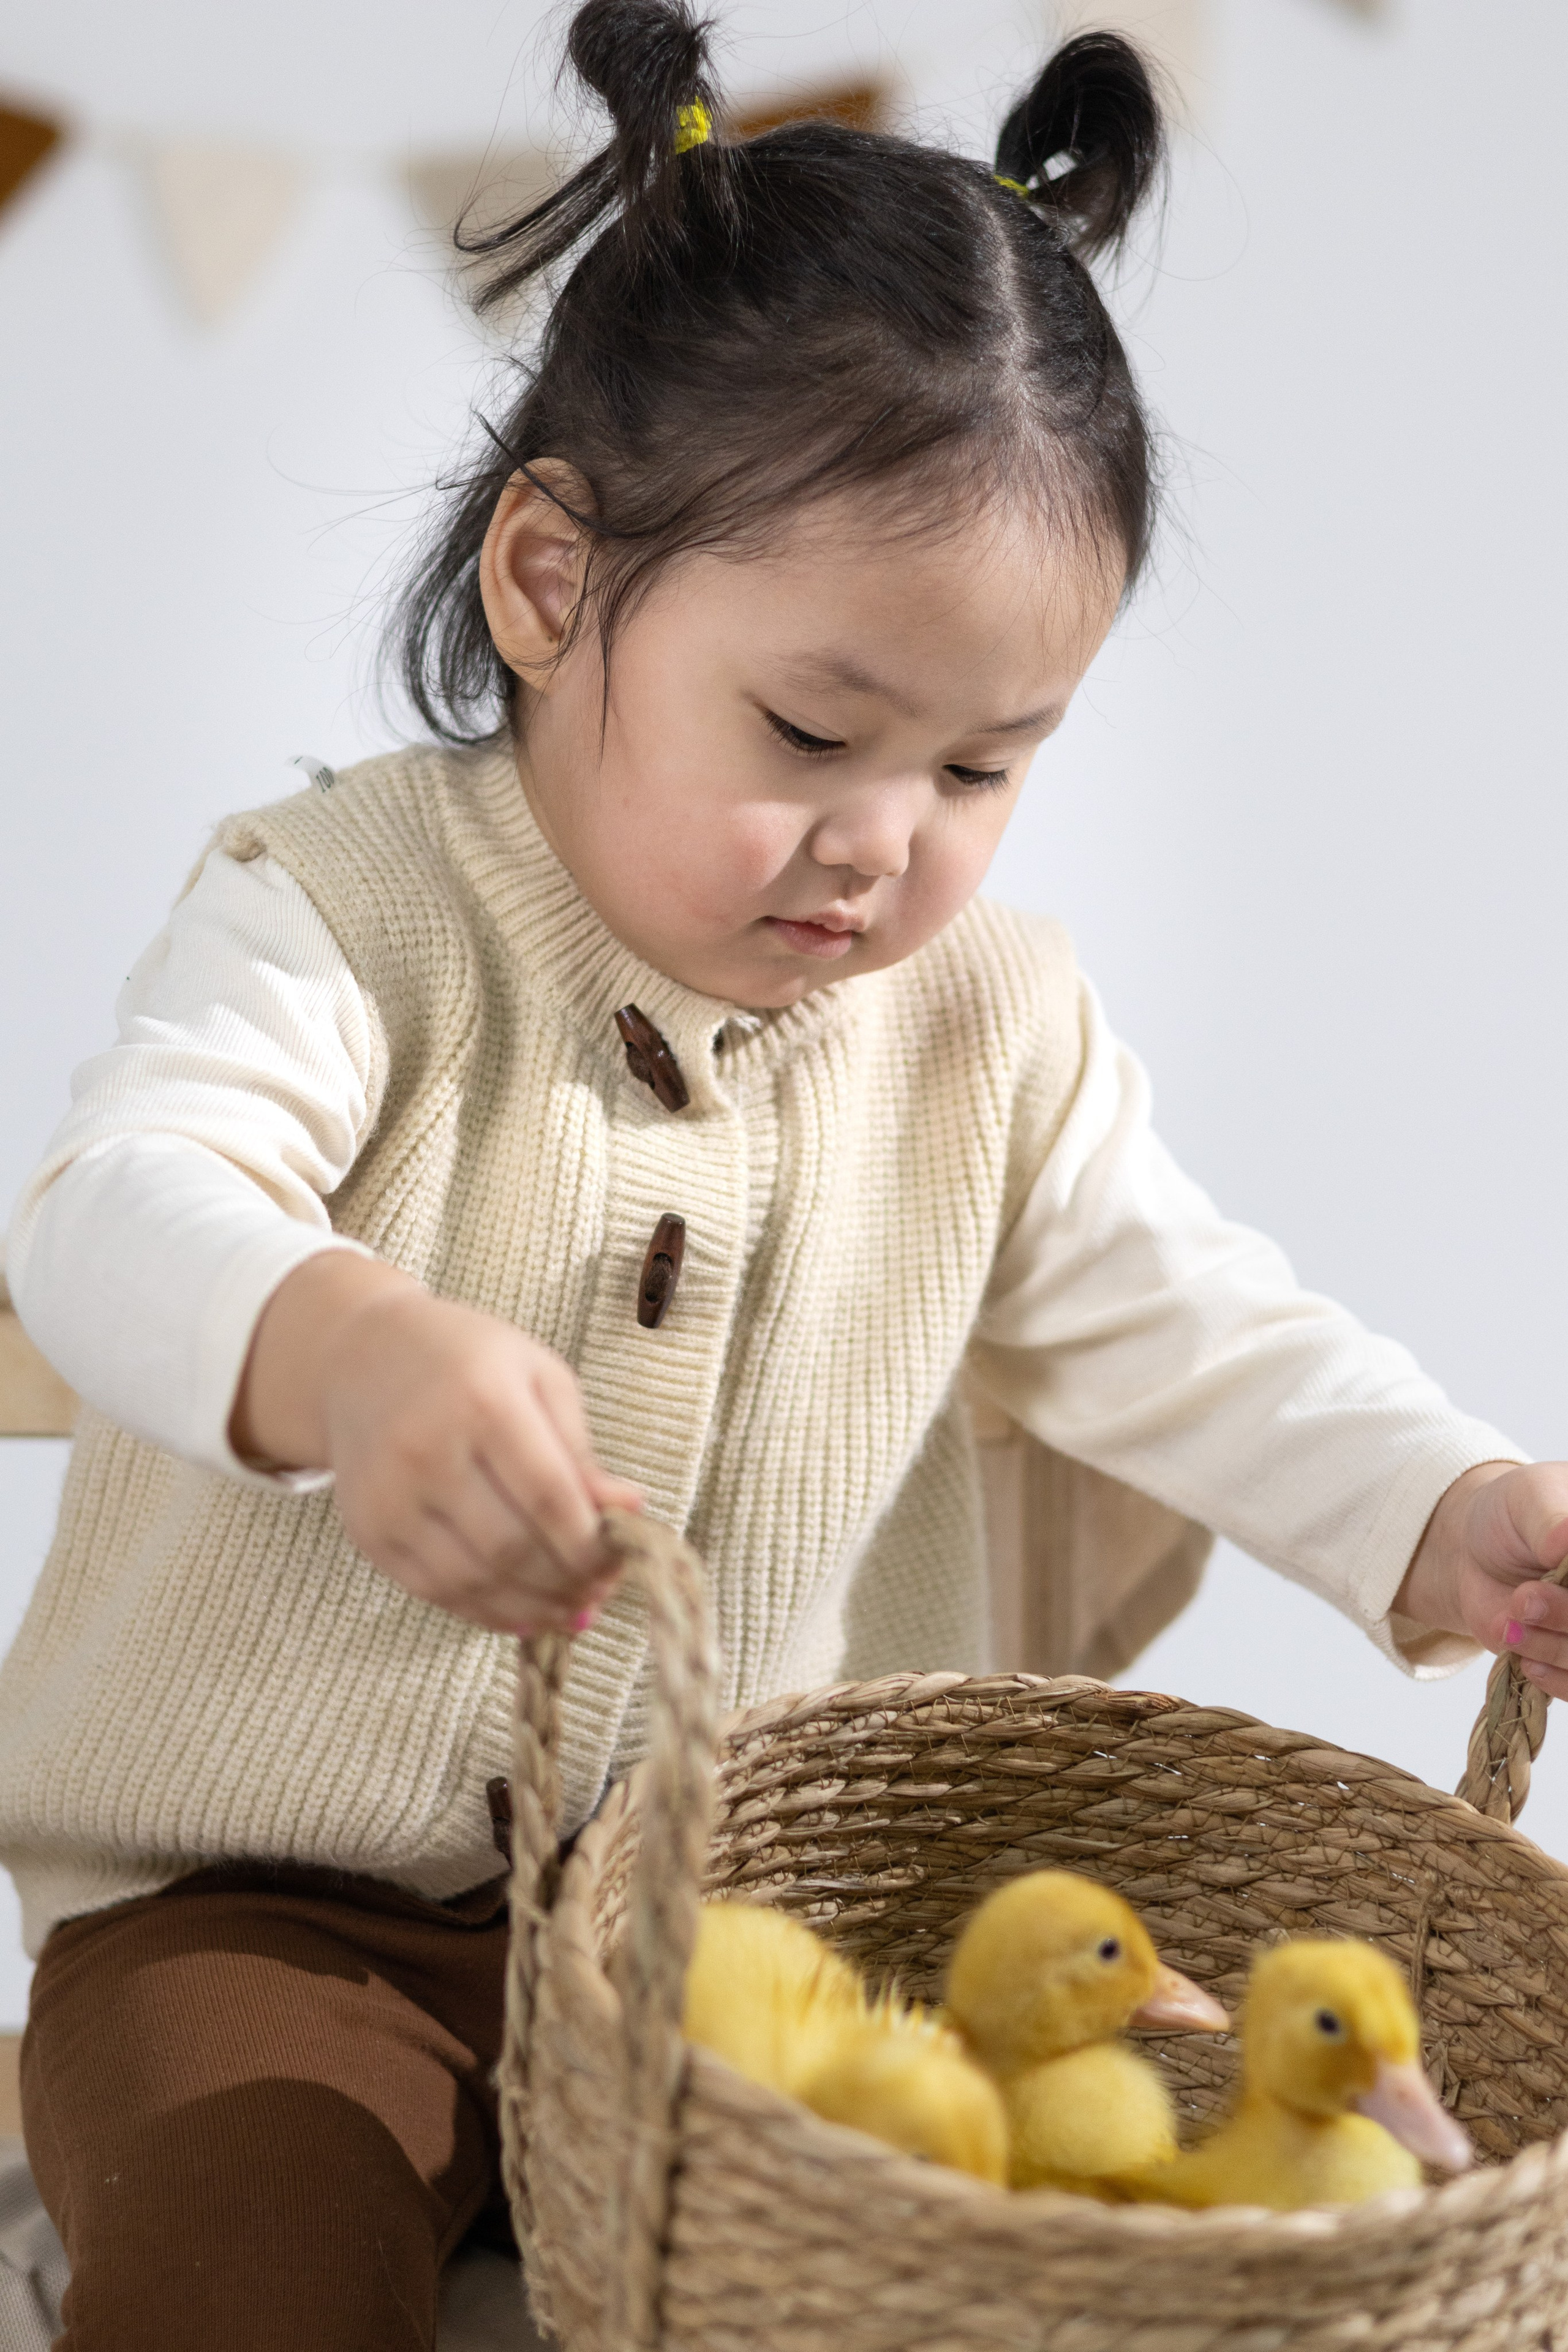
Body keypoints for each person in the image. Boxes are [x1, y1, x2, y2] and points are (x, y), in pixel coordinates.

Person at [4, 2, 1566, 2343]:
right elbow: (121, 1205)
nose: (883, 841)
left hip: (762, 1932)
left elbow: (1195, 1324)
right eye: (815, 731)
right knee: (249, 2274)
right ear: (551, 584)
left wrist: (1437, 1505)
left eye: (984, 770)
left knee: (973, 2265)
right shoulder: (349, 916)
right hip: (283, 1922)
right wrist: (346, 1347)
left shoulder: (987, 1030)